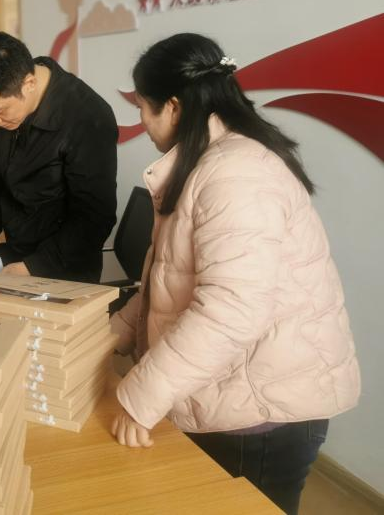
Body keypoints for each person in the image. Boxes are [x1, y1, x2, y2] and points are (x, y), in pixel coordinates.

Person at [109, 33, 360, 515]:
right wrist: (114, 332)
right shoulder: (209, 162)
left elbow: (230, 311)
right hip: (232, 392)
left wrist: (141, 395)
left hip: (261, 413)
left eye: (143, 108)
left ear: (174, 107)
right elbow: (174, 279)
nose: (143, 122)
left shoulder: (237, 174)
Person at [0, 29, 118, 283]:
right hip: (18, 250)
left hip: (66, 265)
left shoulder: (88, 116)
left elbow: (94, 217)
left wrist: (34, 266)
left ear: (29, 84)